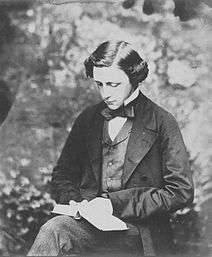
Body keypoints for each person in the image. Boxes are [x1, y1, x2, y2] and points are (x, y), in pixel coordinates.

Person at [27, 41, 194, 256]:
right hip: (90, 227)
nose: (105, 93)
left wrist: (113, 204)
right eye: (100, 84)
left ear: (134, 78)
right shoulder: (88, 119)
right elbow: (63, 174)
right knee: (54, 229)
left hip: (139, 233)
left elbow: (180, 192)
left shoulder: (162, 122)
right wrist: (77, 203)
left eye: (114, 84)